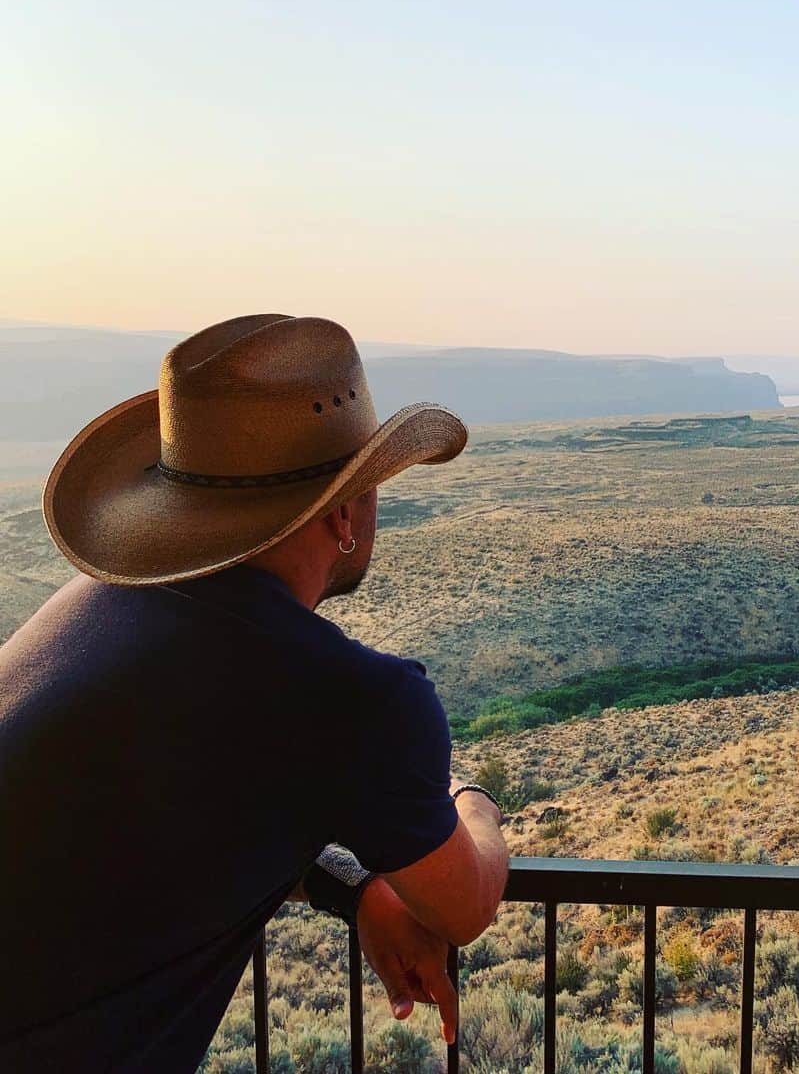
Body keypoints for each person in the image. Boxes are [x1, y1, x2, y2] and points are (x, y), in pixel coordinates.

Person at [0, 314, 509, 1072]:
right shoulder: (352, 697)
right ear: (344, 513)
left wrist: (353, 887)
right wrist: (473, 799)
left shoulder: (92, 610)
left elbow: (174, 806)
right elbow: (463, 907)